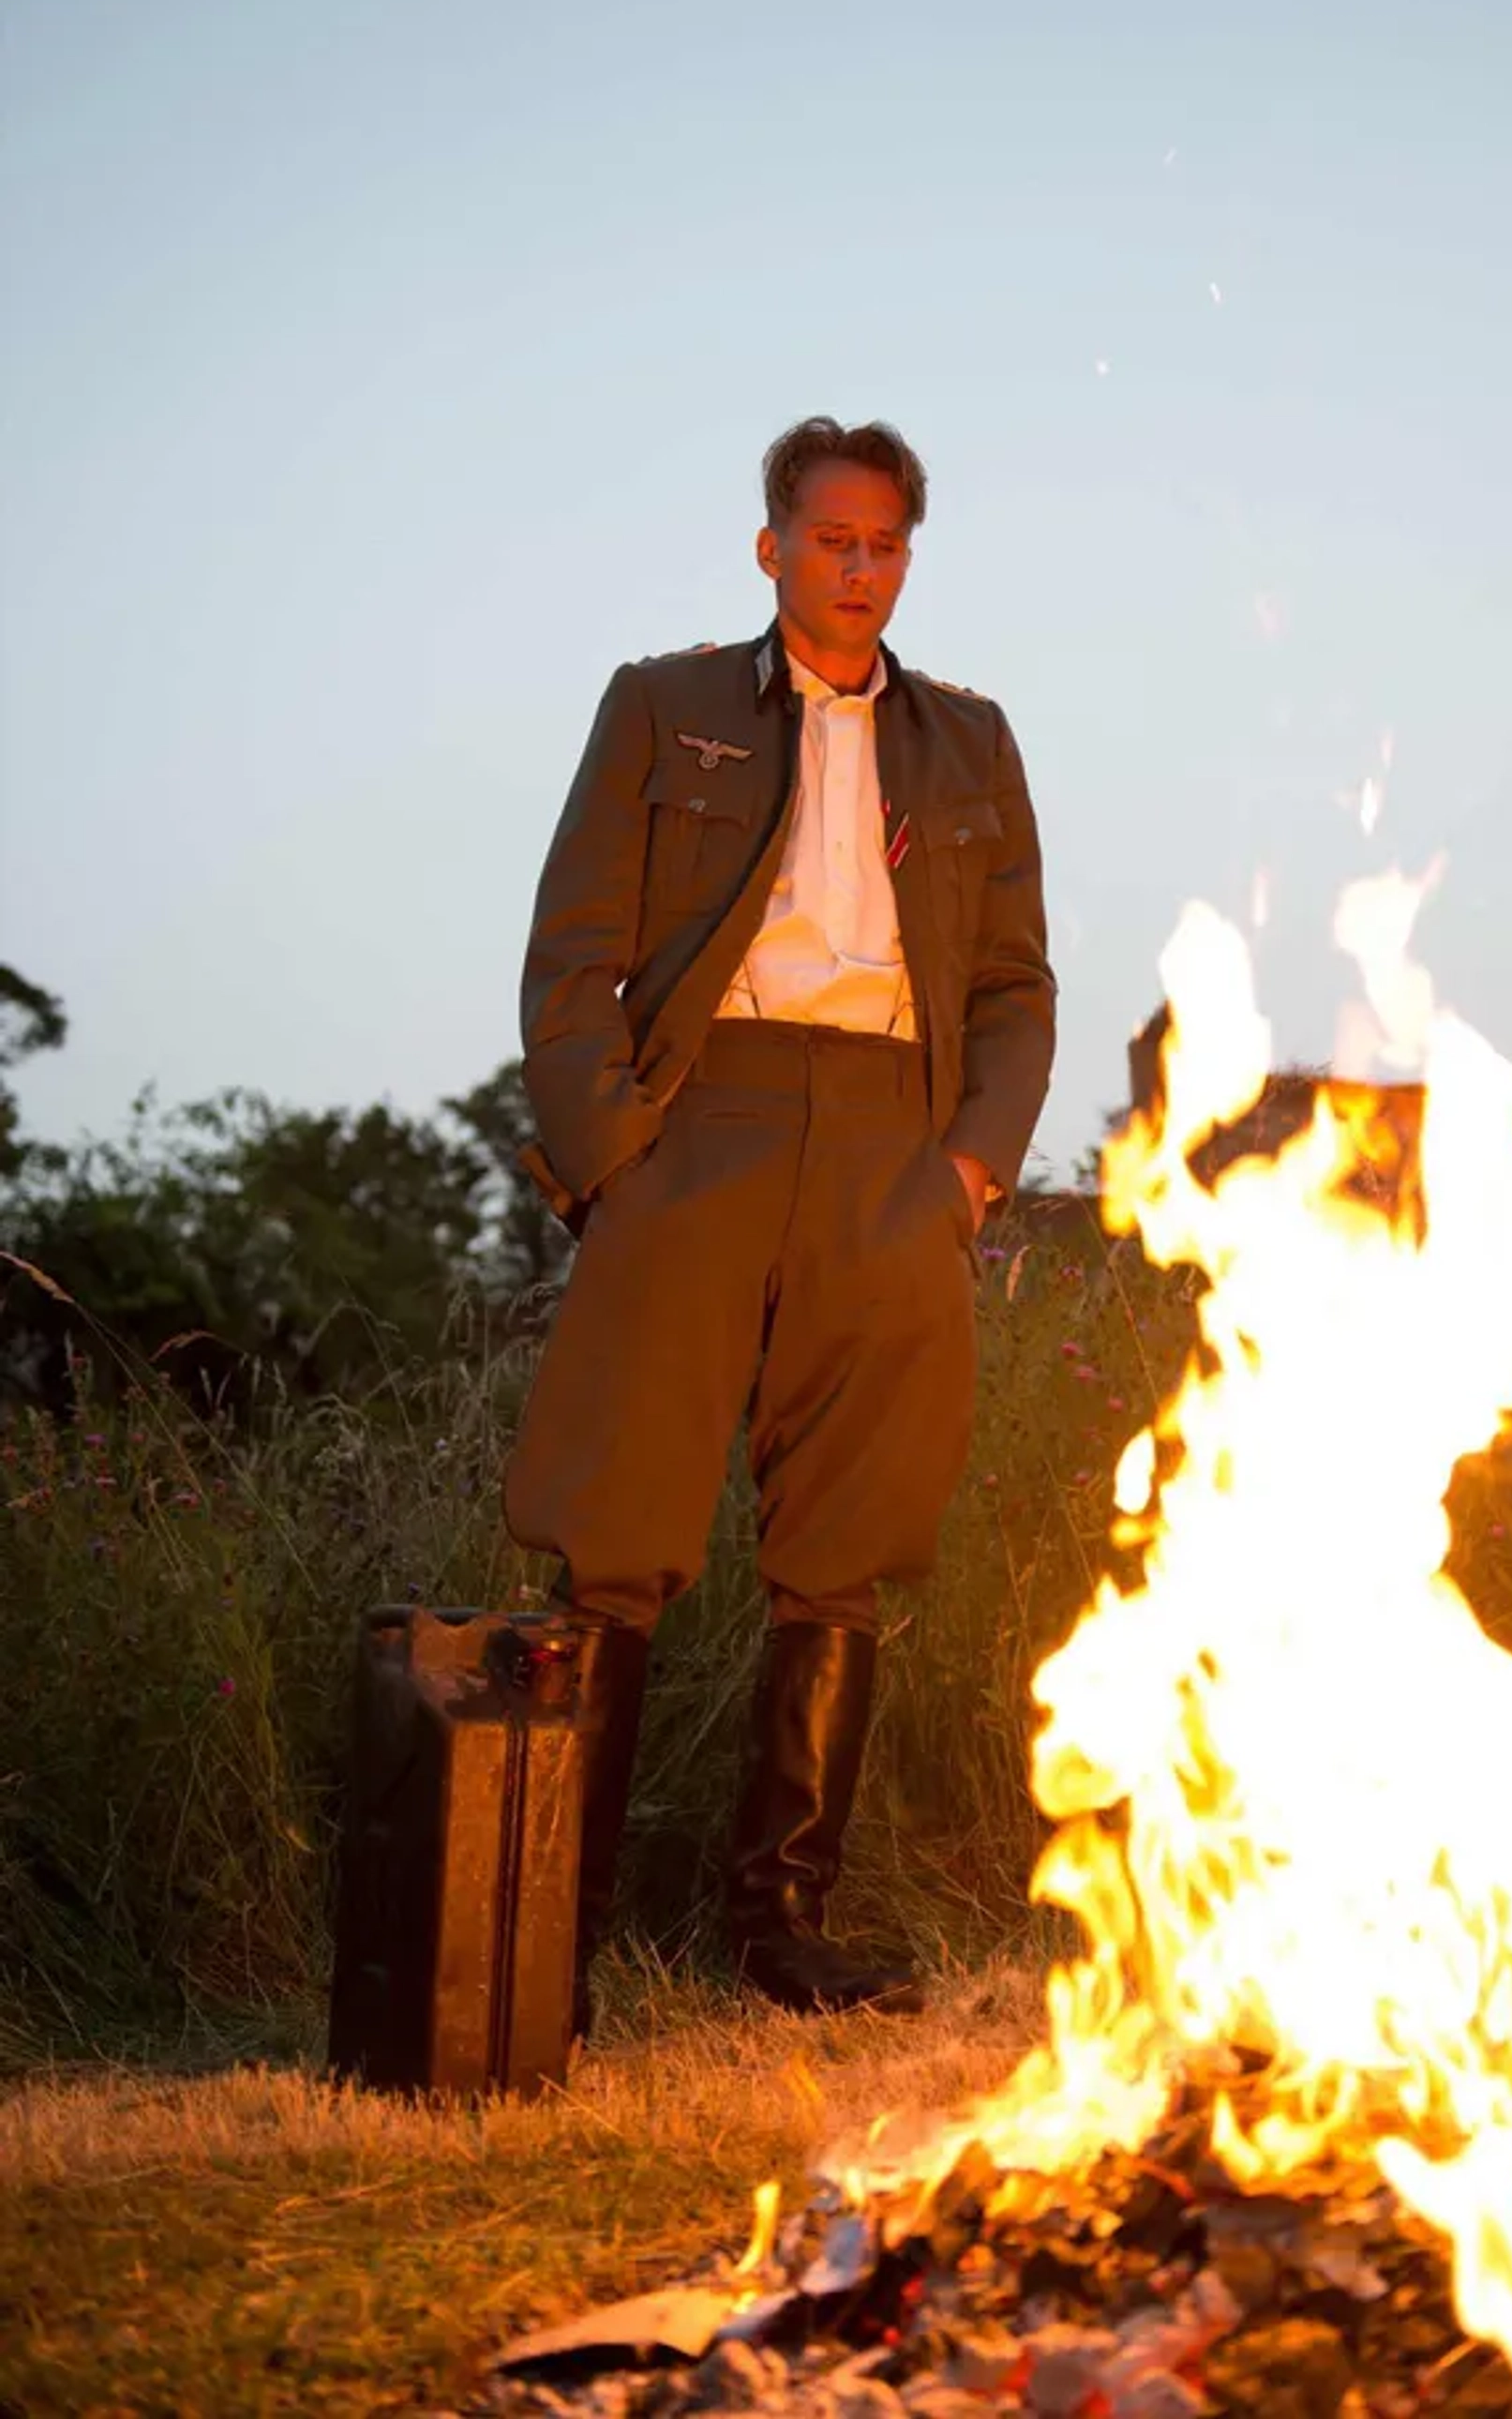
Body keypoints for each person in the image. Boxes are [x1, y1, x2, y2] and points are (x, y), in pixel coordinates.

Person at [503, 414, 1055, 2027]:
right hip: (701, 1129)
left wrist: (963, 1175)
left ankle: (782, 1931)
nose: (860, 567)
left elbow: (1017, 987)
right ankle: (554, 1931)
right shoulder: (663, 706)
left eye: (887, 543)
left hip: (895, 1144)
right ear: (772, 547)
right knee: (618, 1533)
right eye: (832, 539)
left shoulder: (972, 742)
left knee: (848, 1552)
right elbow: (569, 954)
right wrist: (612, 1156)